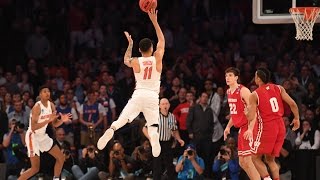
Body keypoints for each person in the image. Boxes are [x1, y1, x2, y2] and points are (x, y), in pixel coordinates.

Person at [97, 8, 165, 158]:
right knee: (153, 126)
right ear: (152, 49)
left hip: (138, 94)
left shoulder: (136, 61)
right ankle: (154, 138)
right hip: (152, 96)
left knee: (122, 119)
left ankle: (112, 129)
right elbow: (162, 41)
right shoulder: (157, 58)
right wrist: (154, 21)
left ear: (139, 50)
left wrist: (130, 44)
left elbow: (125, 60)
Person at [245, 68, 300, 180]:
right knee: (270, 160)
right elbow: (293, 104)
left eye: (255, 76)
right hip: (280, 126)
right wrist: (297, 118)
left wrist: (246, 112)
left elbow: (250, 117)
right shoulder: (279, 88)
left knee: (255, 157)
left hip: (267, 127)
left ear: (258, 78)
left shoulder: (254, 94)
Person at [18, 85, 72, 180]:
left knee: (61, 158)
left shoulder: (51, 105)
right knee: (35, 169)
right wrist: (48, 120)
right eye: (44, 91)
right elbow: (34, 127)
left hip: (42, 136)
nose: (47, 93)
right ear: (40, 94)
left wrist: (62, 120)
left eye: (48, 91)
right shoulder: (37, 107)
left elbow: (54, 124)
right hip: (33, 136)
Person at [223, 67, 260, 180]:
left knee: (248, 161)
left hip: (251, 126)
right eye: (226, 76)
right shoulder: (229, 92)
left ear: (236, 78)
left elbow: (254, 111)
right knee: (242, 163)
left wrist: (250, 129)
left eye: (230, 75)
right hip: (242, 128)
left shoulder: (243, 91)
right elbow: (235, 114)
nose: (227, 78)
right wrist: (228, 127)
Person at [142, 98, 184, 180]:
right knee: (157, 165)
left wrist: (179, 139)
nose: (165, 105)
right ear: (159, 106)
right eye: (163, 104)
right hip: (157, 142)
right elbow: (144, 129)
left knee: (169, 164)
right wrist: (150, 138)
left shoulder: (172, 116)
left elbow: (174, 130)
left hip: (167, 142)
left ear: (169, 105)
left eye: (166, 103)